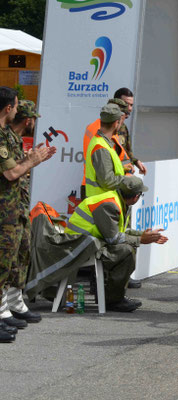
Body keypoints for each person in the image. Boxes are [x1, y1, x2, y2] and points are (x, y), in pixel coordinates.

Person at [0, 91, 56, 340]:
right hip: (5, 210)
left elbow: (15, 169)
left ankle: (11, 304)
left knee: (15, 259)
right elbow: (11, 174)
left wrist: (33, 159)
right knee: (3, 262)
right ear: (9, 108)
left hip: (13, 208)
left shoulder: (5, 135)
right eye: (16, 106)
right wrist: (31, 161)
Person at [65, 176, 166, 312]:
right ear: (136, 197)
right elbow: (113, 238)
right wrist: (141, 239)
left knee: (126, 249)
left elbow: (119, 231)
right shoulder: (110, 204)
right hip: (79, 245)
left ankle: (110, 296)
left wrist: (142, 235)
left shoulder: (118, 201)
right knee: (126, 252)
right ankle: (113, 300)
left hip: (88, 242)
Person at [84, 104, 128, 198]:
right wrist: (126, 179)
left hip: (103, 201)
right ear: (116, 123)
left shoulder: (103, 142)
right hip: (103, 203)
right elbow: (107, 181)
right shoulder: (101, 147)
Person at [113, 88, 146, 175]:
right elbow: (106, 158)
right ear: (116, 103)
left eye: (131, 105)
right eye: (126, 104)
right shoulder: (105, 126)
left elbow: (126, 153)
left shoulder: (123, 127)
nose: (129, 108)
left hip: (122, 178)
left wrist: (135, 161)